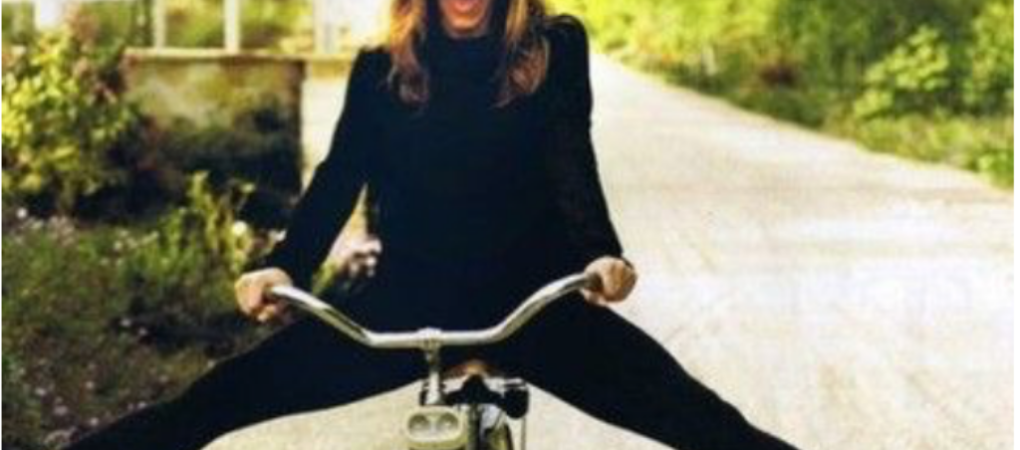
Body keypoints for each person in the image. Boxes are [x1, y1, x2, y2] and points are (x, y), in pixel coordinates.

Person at [66, 0, 800, 449]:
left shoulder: (552, 50)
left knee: (706, 426)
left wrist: (602, 256)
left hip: (535, 307)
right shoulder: (380, 68)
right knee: (211, 403)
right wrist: (285, 264)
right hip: (407, 308)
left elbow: (569, 157)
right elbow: (339, 176)